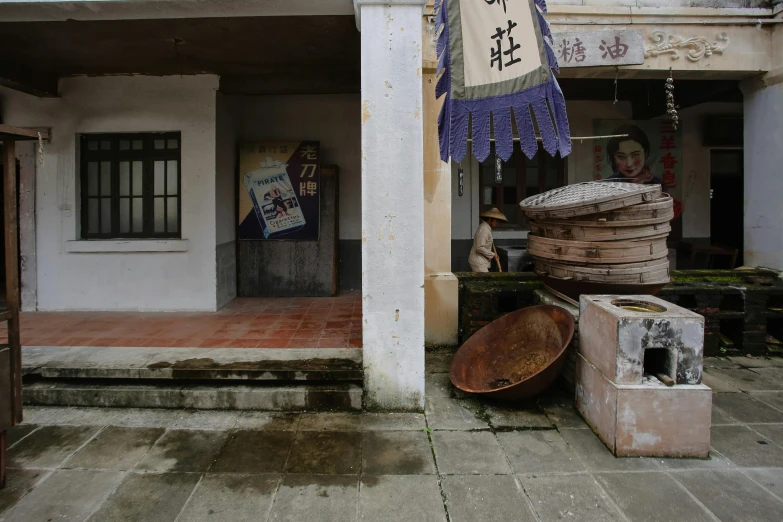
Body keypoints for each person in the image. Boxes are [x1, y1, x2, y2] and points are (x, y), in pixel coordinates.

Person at [605, 124, 682, 218]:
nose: (629, 164)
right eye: (621, 156)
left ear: (645, 154)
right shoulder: (607, 185)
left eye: (635, 155)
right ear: (613, 158)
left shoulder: (657, 183)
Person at [468, 208, 507, 272]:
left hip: (479, 261)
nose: (497, 223)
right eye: (496, 220)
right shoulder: (484, 229)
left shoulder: (486, 227)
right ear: (490, 219)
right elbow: (479, 247)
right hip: (478, 262)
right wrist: (493, 255)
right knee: (484, 280)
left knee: (479, 281)